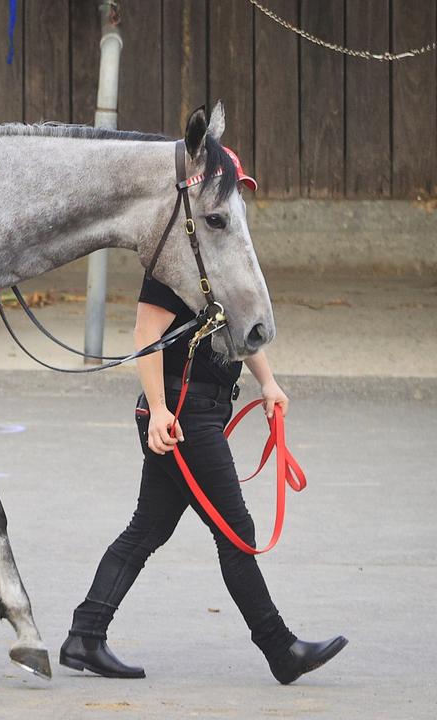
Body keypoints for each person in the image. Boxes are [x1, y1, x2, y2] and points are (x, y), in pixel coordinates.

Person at [59, 275, 347, 684]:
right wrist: (159, 409)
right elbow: (147, 333)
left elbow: (238, 325)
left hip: (198, 411)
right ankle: (281, 649)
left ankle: (85, 635)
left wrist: (267, 381)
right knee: (235, 531)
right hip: (181, 415)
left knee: (147, 530)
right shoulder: (170, 267)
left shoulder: (217, 256)